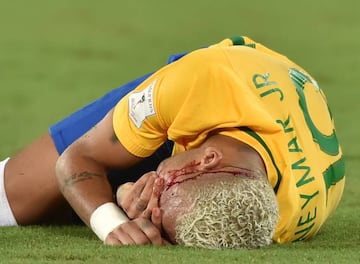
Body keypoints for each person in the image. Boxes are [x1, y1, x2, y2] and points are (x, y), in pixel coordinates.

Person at [0, 36, 345, 249]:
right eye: (163, 196)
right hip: (219, 83)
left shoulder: (283, 220)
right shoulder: (192, 86)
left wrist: (125, 199)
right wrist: (112, 225)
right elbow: (78, 159)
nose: (153, 204)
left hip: (263, 119)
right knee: (16, 195)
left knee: (92, 199)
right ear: (204, 160)